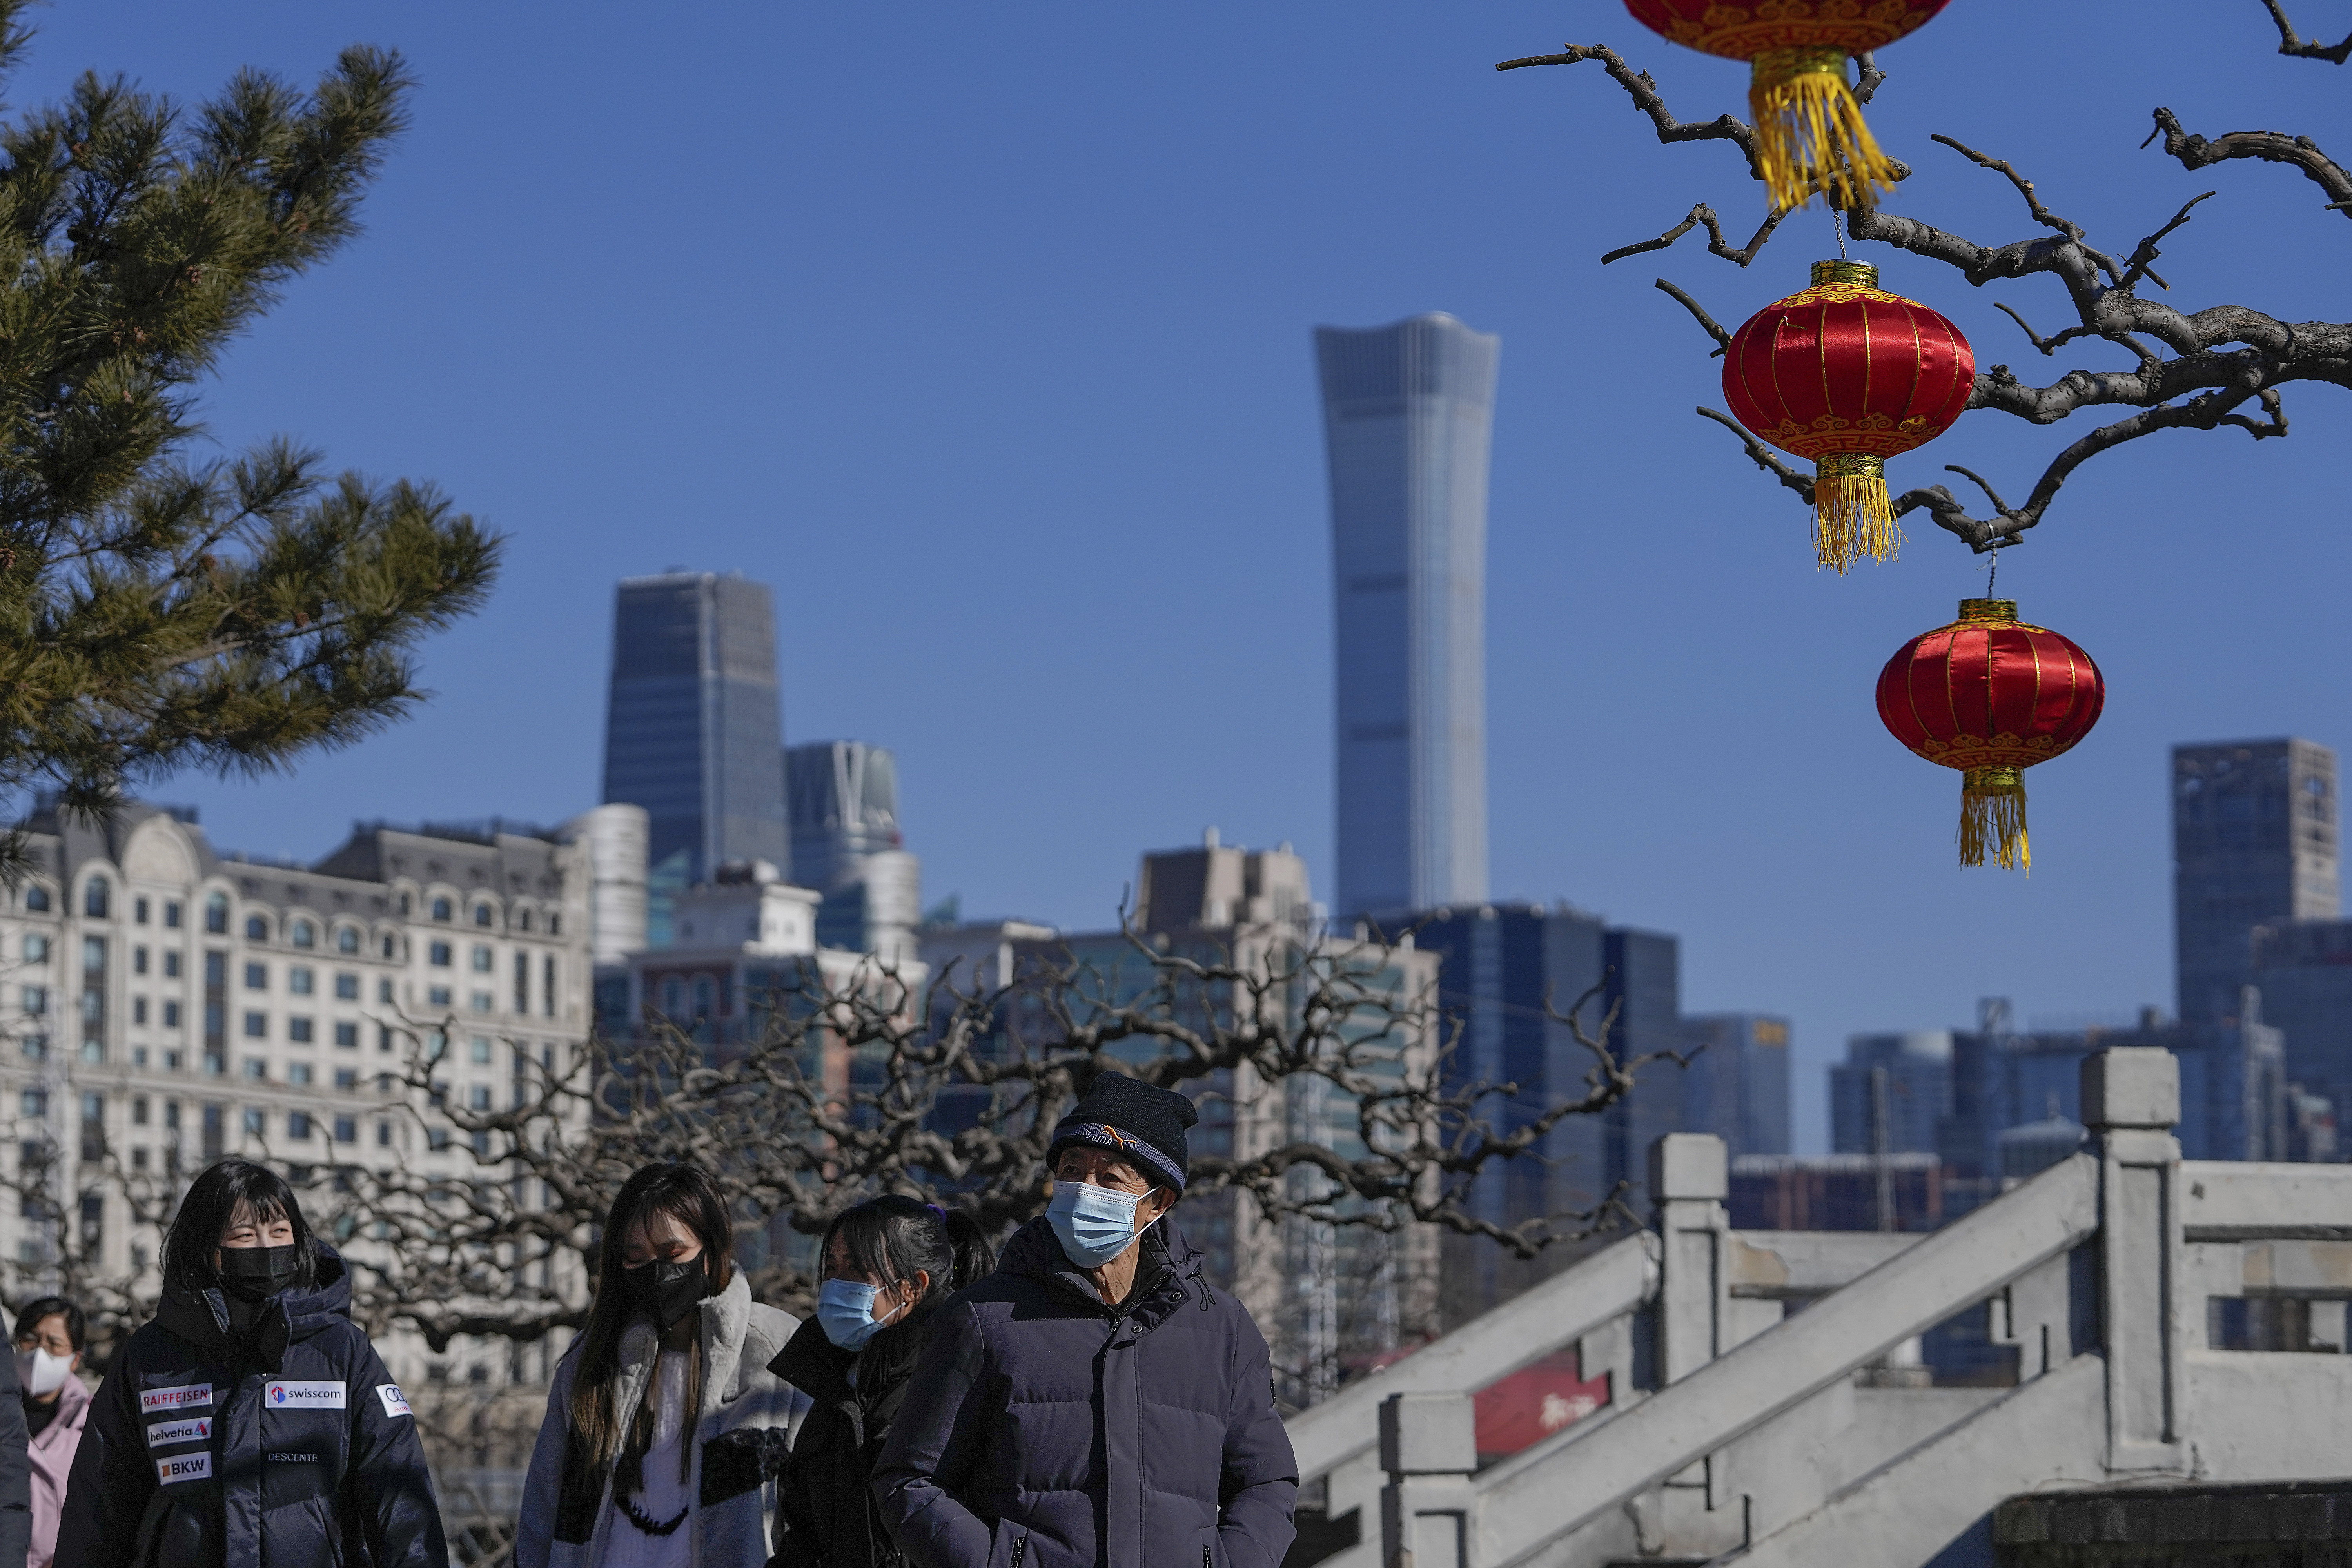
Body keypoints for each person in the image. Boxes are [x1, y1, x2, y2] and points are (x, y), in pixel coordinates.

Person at [874, 1073, 1298, 1568]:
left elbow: (1266, 1481)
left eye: (1110, 1178)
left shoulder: (1222, 1329)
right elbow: (909, 1479)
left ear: (1157, 1203)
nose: (1083, 1189)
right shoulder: (983, 1317)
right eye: (1071, 1170)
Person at [54, 1157, 446, 1568]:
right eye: (245, 1234)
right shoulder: (150, 1358)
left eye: (279, 1231)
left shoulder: (342, 1351)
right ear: (207, 1248)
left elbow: (403, 1503)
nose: (266, 1247)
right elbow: (97, 1509)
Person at [517, 1163, 808, 1568]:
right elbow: (540, 1514)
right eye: (636, 1257)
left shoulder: (776, 1350)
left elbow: (813, 1515)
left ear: (713, 1247)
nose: (657, 1272)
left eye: (673, 1253)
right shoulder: (590, 1360)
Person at [768, 1196, 995, 1568]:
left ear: (913, 1287)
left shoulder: (959, 1380)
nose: (836, 1284)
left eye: (856, 1270)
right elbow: (808, 1535)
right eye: (831, 1268)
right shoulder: (839, 1384)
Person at [15, 1297, 88, 1568]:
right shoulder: (7, 1414)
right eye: (30, 1339)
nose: (39, 1352)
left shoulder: (92, 1424)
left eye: (54, 1344)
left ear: (75, 1358)